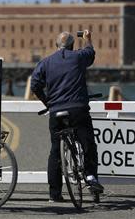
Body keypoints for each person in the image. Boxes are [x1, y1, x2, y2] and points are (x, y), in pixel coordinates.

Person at [31, 30, 103, 202]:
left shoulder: (46, 62)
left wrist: (47, 102)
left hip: (56, 112)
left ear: (56, 46)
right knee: (88, 144)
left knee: (55, 151)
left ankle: (54, 194)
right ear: (72, 46)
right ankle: (91, 177)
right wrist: (88, 39)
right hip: (78, 110)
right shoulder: (78, 57)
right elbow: (90, 53)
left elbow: (34, 84)